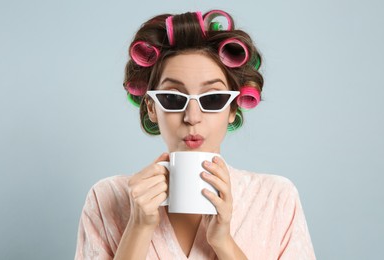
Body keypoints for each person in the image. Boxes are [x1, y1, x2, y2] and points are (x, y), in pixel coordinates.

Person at [74, 9, 316, 260]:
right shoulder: (106, 199)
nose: (192, 116)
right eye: (172, 98)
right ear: (151, 108)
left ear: (232, 108)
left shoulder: (276, 198)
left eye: (212, 99)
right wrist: (138, 227)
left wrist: (223, 242)